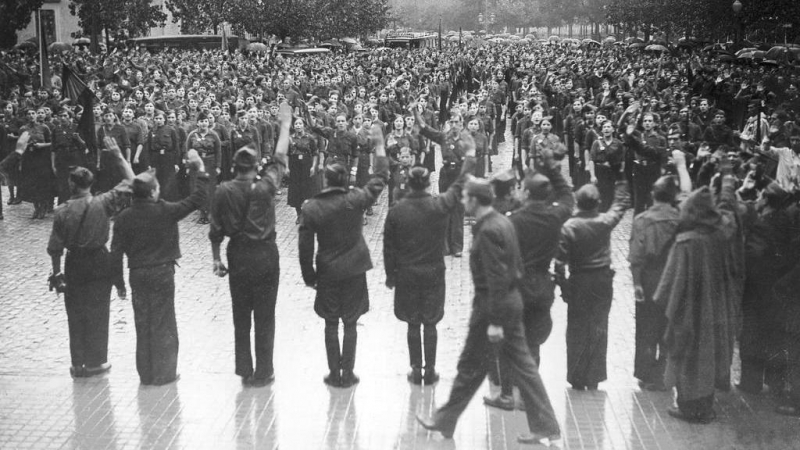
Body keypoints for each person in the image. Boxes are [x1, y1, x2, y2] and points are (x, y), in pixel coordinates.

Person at [415, 177, 561, 447]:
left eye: (465, 197)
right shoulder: (501, 222)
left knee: (477, 365)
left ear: (474, 200)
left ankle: (446, 419)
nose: (462, 201)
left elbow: (497, 278)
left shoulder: (489, 230)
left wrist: (495, 321)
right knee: (498, 366)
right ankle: (545, 426)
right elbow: (515, 267)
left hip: (493, 308)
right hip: (507, 303)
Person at [655, 153, 744, 424]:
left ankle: (689, 407)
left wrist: (661, 302)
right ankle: (705, 406)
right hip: (716, 307)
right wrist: (726, 181)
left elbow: (668, 283)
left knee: (685, 357)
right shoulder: (721, 232)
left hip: (689, 310)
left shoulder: (686, 241)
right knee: (710, 355)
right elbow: (728, 209)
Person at [298, 123, 388, 388]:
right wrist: (380, 144)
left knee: (330, 323)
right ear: (345, 180)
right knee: (351, 323)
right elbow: (381, 177)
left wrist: (309, 276)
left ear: (326, 180)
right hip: (354, 269)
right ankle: (348, 373)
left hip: (327, 271)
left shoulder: (312, 208)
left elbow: (305, 247)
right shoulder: (357, 198)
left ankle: (332, 371)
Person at [484, 147, 574, 410]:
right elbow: (568, 196)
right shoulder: (555, 216)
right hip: (542, 286)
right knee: (533, 342)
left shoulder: (512, 221)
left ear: (527, 193)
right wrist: (553, 169)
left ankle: (506, 394)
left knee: (508, 341)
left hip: (516, 286)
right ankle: (527, 397)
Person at [208, 102, 291, 387]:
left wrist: (217, 259)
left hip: (238, 255)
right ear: (256, 167)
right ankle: (264, 371)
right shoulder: (266, 186)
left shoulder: (222, 190)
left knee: (240, 316)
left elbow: (215, 230)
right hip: (266, 255)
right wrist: (285, 124)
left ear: (233, 167)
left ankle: (244, 369)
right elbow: (280, 155)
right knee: (265, 317)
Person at [111, 149, 209, 386]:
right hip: (163, 272)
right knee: (164, 322)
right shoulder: (166, 210)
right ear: (154, 192)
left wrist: (119, 283)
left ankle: (146, 373)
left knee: (142, 322)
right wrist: (201, 170)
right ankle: (165, 373)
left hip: (137, 274)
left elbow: (115, 253)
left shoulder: (123, 217)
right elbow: (197, 199)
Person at [383, 138, 476, 385]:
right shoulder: (439, 205)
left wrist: (390, 276)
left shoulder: (397, 211)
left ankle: (415, 369)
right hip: (434, 272)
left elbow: (388, 247)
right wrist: (471, 157)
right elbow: (459, 185)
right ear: (428, 183)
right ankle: (431, 369)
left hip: (406, 273)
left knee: (412, 323)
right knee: (431, 322)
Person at [41, 133, 132, 378]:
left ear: (71, 185)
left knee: (75, 313)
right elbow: (134, 183)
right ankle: (96, 361)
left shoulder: (61, 211)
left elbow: (55, 247)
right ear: (91, 183)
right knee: (98, 311)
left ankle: (77, 363)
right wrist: (118, 156)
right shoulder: (104, 202)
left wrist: (57, 272)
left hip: (74, 263)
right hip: (99, 260)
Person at [555, 175, 630, 390]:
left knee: (577, 328)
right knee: (599, 326)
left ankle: (577, 376)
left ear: (578, 202)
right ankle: (594, 376)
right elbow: (620, 206)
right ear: (597, 203)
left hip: (579, 279)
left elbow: (559, 263)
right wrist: (621, 182)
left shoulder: (568, 227)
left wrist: (564, 288)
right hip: (602, 280)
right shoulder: (605, 222)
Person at [628, 175, 683, 391]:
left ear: (652, 194)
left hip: (650, 277)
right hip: (675, 277)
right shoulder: (681, 219)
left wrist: (637, 284)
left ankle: (647, 374)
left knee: (647, 327)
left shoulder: (642, 220)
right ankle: (665, 373)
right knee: (670, 325)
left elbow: (636, 256)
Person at [414, 107, 474, 257]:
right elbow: (425, 128)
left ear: (461, 124)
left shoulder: (467, 139)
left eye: (456, 122)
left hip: (460, 175)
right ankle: (445, 247)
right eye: (451, 122)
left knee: (458, 211)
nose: (454, 125)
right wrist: (415, 112)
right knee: (445, 209)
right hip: (446, 174)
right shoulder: (443, 137)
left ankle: (457, 247)